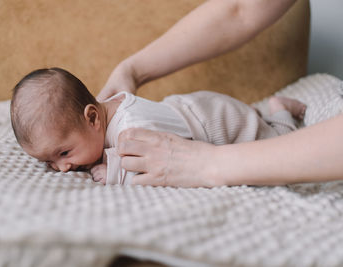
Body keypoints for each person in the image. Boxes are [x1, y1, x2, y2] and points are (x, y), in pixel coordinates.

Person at [97, 0, 343, 187]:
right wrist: (131, 71)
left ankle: (277, 110)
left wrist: (211, 163)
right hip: (228, 111)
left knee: (277, 130)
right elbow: (240, 10)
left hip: (239, 120)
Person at [10, 67, 306, 185]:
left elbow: (162, 161)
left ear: (92, 118)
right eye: (48, 160)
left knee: (278, 146)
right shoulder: (104, 114)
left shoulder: (131, 128)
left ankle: (279, 109)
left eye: (64, 153)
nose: (61, 167)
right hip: (196, 107)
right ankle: (258, 110)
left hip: (222, 123)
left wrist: (112, 169)